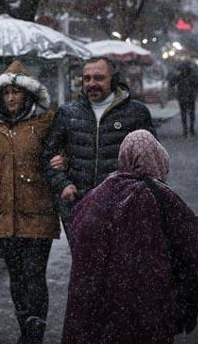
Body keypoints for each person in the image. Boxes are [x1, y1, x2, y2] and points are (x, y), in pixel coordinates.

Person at [60, 130, 198, 344]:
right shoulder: (159, 195)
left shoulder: (101, 192)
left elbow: (80, 230)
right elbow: (188, 237)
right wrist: (194, 287)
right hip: (145, 300)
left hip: (105, 299)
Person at [0, 60, 59, 344]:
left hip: (38, 209)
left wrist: (62, 161)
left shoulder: (45, 121)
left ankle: (35, 335)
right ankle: (26, 325)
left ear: (27, 94)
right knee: (17, 277)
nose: (11, 98)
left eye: (16, 92)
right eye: (6, 92)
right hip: (3, 211)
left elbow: (59, 154)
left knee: (34, 274)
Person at [42, 56, 155, 245]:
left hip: (121, 208)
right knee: (85, 261)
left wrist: (134, 193)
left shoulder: (136, 113)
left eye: (99, 78)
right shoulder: (68, 113)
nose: (91, 83)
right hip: (79, 207)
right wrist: (63, 184)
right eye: (87, 78)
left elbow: (150, 161)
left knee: (119, 261)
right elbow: (47, 155)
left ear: (114, 79)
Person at [169, 62, 198, 137]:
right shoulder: (192, 76)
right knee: (190, 114)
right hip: (189, 97)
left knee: (184, 114)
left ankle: (186, 129)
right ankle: (190, 129)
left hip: (183, 97)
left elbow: (171, 83)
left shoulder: (180, 77)